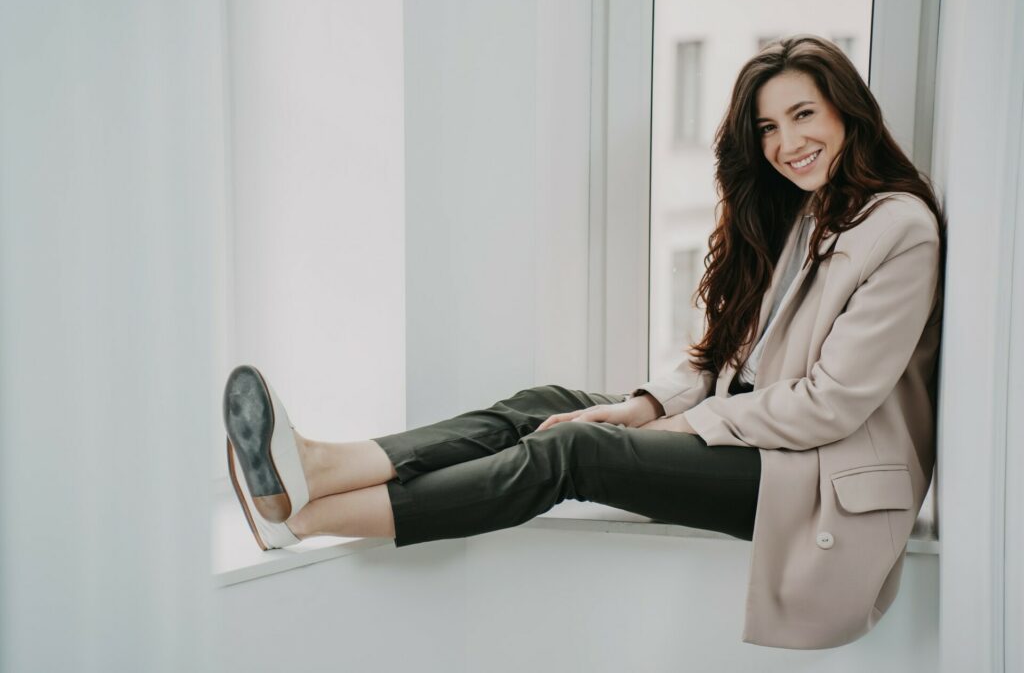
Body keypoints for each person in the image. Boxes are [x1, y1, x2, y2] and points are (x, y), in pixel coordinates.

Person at [223, 34, 944, 650]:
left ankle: (311, 517)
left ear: (847, 112)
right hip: (759, 432)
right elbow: (734, 366)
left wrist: (678, 423)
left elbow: (829, 406)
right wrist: (645, 404)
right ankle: (319, 466)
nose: (786, 144)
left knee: (573, 451)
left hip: (815, 475)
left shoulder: (901, 228)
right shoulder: (808, 212)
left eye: (802, 116)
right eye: (766, 129)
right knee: (544, 405)